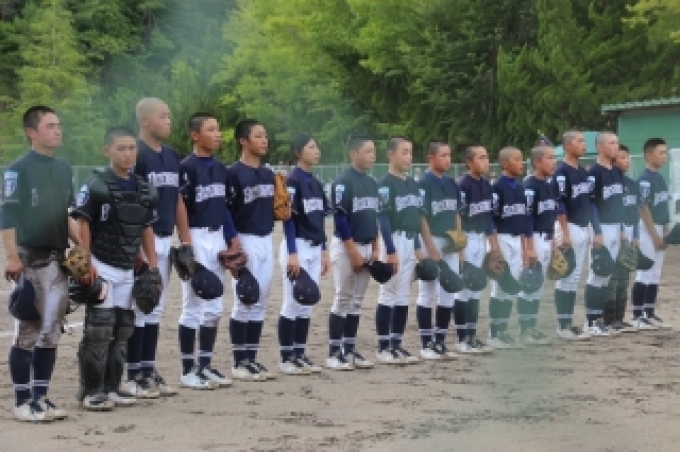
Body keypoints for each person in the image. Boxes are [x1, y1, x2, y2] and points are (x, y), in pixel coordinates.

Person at [71, 126, 159, 411]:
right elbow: (83, 223)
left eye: (132, 148)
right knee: (99, 329)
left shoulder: (142, 187)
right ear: (107, 150)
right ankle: (91, 391)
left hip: (127, 267)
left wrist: (153, 267)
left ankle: (112, 387)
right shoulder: (96, 184)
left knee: (122, 329)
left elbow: (146, 228)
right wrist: (84, 262)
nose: (128, 154)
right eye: (121, 148)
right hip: (101, 263)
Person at [1, 105, 80, 422]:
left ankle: (41, 397)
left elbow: (66, 215)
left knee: (52, 331)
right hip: (30, 258)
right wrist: (11, 257)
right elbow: (7, 216)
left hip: (59, 259)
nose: (57, 130)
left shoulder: (63, 169)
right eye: (49, 125)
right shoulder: (17, 170)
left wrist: (83, 250)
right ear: (31, 132)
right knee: (28, 330)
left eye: (58, 124)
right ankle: (22, 402)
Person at [127, 97, 189, 397]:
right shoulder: (134, 154)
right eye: (162, 116)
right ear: (144, 120)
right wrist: (138, 249)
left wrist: (186, 240)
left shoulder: (172, 155)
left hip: (165, 238)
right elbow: (131, 204)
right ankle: (133, 374)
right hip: (142, 241)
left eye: (169, 116)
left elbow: (177, 200)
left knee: (154, 307)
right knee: (139, 306)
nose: (168, 121)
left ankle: (148, 369)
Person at [177, 112, 235, 388]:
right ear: (195, 135)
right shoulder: (185, 168)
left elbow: (225, 208)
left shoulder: (222, 169)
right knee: (193, 304)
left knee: (214, 307)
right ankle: (188, 370)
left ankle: (205, 365)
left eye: (217, 129)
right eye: (210, 129)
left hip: (218, 237)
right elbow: (180, 209)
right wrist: (187, 243)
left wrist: (232, 238)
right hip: (196, 236)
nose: (217, 134)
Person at [226, 119, 277, 381]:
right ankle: (239, 362)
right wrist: (231, 240)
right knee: (245, 297)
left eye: (265, 135)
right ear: (243, 141)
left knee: (261, 300)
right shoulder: (233, 173)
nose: (264, 140)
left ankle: (251, 359)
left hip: (267, 238)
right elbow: (226, 210)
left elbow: (276, 210)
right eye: (258, 136)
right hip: (244, 238)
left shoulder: (269, 174)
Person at [277, 133, 331, 375]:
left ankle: (300, 354)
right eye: (311, 147)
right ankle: (286, 357)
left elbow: (320, 221)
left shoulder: (316, 183)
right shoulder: (292, 180)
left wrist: (325, 251)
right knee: (292, 303)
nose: (316, 150)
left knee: (307, 303)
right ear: (298, 152)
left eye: (317, 146)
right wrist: (292, 253)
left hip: (315, 247)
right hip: (297, 246)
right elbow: (288, 219)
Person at [327, 137, 381, 370]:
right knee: (343, 297)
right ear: (353, 154)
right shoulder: (342, 182)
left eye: (373, 151)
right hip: (346, 245)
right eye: (367, 151)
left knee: (357, 301)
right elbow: (340, 220)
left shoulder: (372, 183)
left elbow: (374, 218)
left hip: (367, 245)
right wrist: (353, 252)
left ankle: (349, 350)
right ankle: (333, 353)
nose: (372, 155)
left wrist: (376, 247)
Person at [374, 137, 424, 365]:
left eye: (410, 152)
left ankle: (396, 344)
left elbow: (415, 219)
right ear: (391, 155)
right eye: (404, 152)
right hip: (393, 239)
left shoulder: (412, 184)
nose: (409, 157)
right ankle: (383, 347)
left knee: (404, 295)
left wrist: (418, 247)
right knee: (388, 293)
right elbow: (383, 218)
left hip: (410, 240)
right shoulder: (385, 183)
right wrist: (391, 250)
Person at [416, 141, 464, 357]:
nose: (447, 159)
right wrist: (430, 248)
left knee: (449, 292)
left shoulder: (452, 183)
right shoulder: (423, 183)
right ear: (431, 158)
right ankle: (426, 344)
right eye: (443, 155)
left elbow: (457, 213)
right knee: (427, 293)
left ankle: (440, 342)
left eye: (449, 155)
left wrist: (460, 243)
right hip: (431, 239)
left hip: (450, 243)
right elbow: (421, 217)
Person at [487, 147, 530, 349]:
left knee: (510, 287)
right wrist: (495, 248)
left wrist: (525, 249)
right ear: (505, 164)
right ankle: (494, 332)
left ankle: (503, 330)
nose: (521, 163)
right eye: (517, 159)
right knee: (500, 286)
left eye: (521, 159)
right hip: (502, 238)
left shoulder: (520, 188)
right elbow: (492, 219)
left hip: (516, 240)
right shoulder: (497, 188)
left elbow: (522, 220)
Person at [582, 132, 624, 336]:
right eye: (611, 143)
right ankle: (590, 321)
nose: (615, 146)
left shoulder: (617, 172)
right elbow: (590, 205)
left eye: (617, 143)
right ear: (599, 147)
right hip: (602, 227)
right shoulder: (593, 173)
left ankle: (599, 320)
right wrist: (596, 231)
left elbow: (619, 204)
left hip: (615, 226)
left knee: (607, 275)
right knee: (597, 272)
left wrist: (622, 228)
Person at [456, 145, 496, 353]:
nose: (486, 161)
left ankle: (472, 335)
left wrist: (494, 246)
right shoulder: (462, 185)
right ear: (469, 162)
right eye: (481, 157)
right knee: (463, 290)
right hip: (467, 238)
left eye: (486, 157)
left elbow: (488, 218)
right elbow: (458, 219)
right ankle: (462, 338)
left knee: (476, 289)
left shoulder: (487, 184)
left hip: (481, 239)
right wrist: (460, 250)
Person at [552, 131, 592, 340]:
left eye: (584, 141)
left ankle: (568, 323)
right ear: (567, 146)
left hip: (582, 226)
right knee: (566, 276)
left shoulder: (582, 171)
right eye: (579, 141)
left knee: (575, 277)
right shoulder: (561, 172)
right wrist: (565, 232)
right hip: (568, 225)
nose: (583, 144)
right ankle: (562, 325)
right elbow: (559, 203)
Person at [518, 145, 558, 345]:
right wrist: (529, 248)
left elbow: (550, 216)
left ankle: (531, 328)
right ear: (537, 162)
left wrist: (554, 243)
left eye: (554, 158)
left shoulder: (549, 185)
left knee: (538, 287)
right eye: (549, 158)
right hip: (533, 238)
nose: (554, 162)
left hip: (547, 238)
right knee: (529, 285)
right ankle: (524, 330)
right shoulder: (529, 186)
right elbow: (526, 218)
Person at [631, 138, 672, 330]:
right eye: (661, 152)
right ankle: (637, 316)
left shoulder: (660, 177)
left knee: (655, 273)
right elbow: (643, 208)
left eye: (665, 152)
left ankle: (649, 312)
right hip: (648, 228)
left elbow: (662, 205)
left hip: (659, 226)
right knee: (645, 272)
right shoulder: (645, 179)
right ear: (648, 155)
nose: (665, 156)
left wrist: (666, 230)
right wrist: (655, 235)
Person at [603, 144, 639, 332]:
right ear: (613, 160)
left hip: (630, 231)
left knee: (625, 276)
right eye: (622, 157)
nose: (627, 160)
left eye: (627, 157)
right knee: (613, 277)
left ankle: (619, 317)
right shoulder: (612, 184)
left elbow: (635, 211)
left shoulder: (631, 184)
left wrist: (636, 235)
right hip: (616, 230)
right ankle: (608, 319)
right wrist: (622, 230)